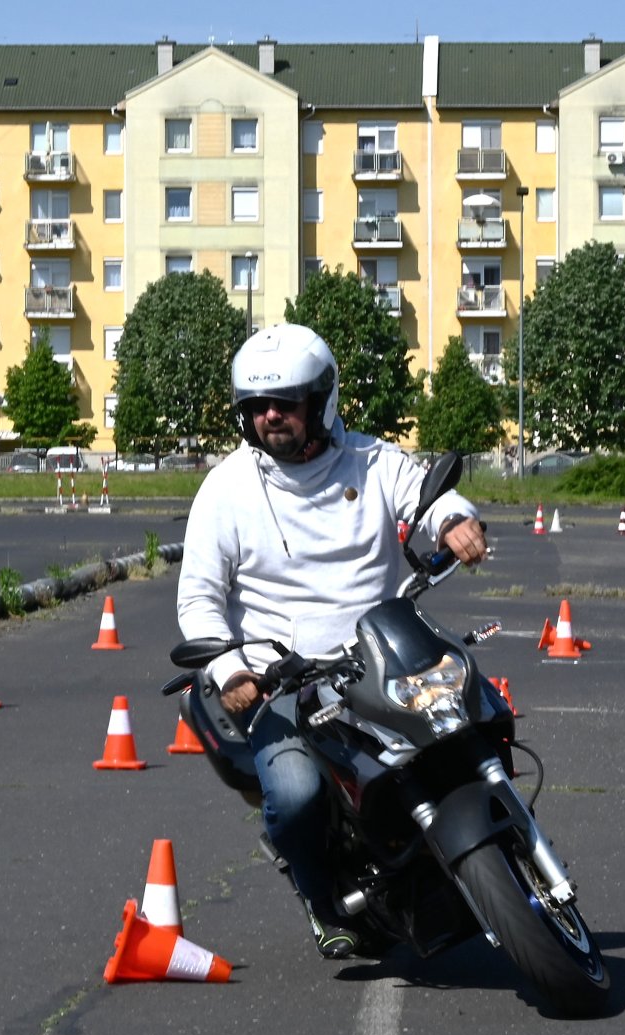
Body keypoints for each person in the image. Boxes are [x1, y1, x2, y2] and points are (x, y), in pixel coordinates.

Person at [177, 323, 486, 958]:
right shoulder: (226, 489)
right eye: (256, 407)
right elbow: (198, 598)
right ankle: (321, 901)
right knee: (294, 794)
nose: (270, 417)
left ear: (321, 399)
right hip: (285, 677)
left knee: (469, 722)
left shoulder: (373, 461)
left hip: (382, 652)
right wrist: (231, 671)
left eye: (284, 403)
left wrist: (454, 520)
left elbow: (427, 495)